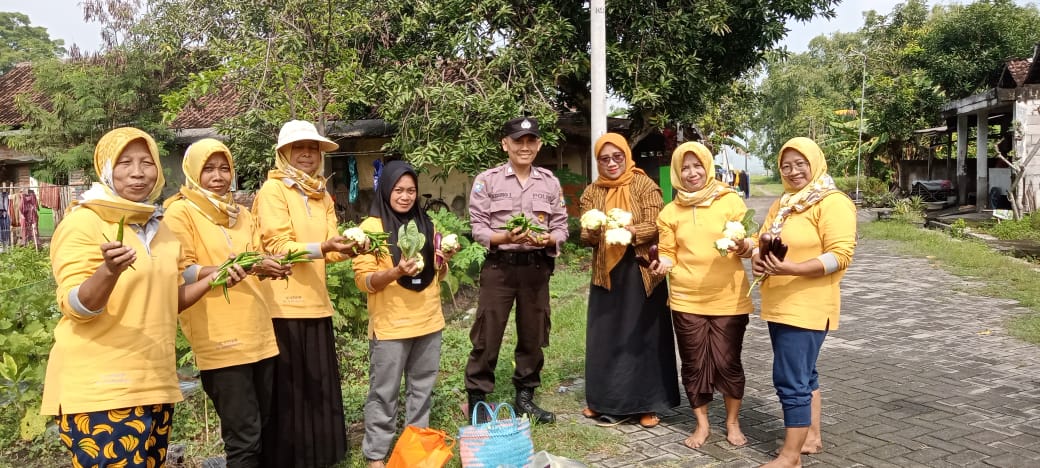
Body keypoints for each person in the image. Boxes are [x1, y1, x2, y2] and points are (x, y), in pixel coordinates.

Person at [45, 127, 230, 467]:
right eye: (125, 162)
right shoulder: (83, 223)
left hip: (154, 382)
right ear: (105, 169)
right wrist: (108, 272)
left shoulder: (158, 226)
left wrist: (211, 280)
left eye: (147, 162)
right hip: (101, 389)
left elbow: (167, 299)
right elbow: (76, 306)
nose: (138, 171)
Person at [163, 138, 291, 467]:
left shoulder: (242, 214)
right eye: (208, 169)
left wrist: (269, 267)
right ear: (192, 172)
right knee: (244, 435)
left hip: (259, 332)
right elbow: (183, 270)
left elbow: (256, 258)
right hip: (219, 337)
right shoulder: (180, 212)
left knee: (261, 425)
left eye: (224, 169)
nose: (218, 176)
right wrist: (233, 268)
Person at [252, 120, 365, 467]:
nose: (306, 153)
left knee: (317, 385)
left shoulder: (321, 194)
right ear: (284, 152)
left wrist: (347, 248)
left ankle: (321, 455)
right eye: (299, 147)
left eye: (312, 147)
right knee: (289, 390)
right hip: (282, 305)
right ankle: (290, 458)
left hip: (316, 303)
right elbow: (278, 246)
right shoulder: (273, 191)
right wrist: (322, 246)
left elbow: (328, 249)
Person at [754, 137, 856, 468]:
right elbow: (764, 241)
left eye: (800, 164)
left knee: (790, 380)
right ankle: (811, 437)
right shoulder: (784, 203)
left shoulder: (832, 202)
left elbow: (840, 256)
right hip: (781, 304)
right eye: (786, 165)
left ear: (815, 163)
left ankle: (790, 456)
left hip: (807, 306)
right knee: (805, 375)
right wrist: (758, 258)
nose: (794, 171)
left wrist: (793, 268)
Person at [351, 160, 458, 468]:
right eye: (398, 190)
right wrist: (396, 272)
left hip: (428, 321)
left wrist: (444, 259)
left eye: (411, 190)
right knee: (384, 393)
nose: (405, 196)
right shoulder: (370, 230)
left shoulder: (427, 224)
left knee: (421, 390)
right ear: (386, 190)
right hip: (390, 325)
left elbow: (436, 272)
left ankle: (415, 450)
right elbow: (364, 281)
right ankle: (376, 455)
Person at [465, 116, 569, 424]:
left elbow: (561, 226)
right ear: (505, 144)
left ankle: (525, 397)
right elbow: (478, 227)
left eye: (530, 141)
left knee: (533, 333)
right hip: (500, 267)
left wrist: (549, 238)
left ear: (538, 145)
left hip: (536, 267)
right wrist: (503, 237)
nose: (524, 147)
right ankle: (477, 400)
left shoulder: (549, 181)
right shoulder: (488, 180)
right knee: (487, 332)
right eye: (518, 141)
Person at [650, 141, 754, 448]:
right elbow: (669, 252)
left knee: (727, 362)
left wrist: (744, 246)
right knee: (694, 363)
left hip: (729, 297)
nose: (692, 172)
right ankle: (702, 425)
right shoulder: (670, 211)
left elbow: (750, 242)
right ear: (677, 172)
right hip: (685, 297)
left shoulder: (730, 201)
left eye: (697, 166)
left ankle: (732, 423)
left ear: (707, 167)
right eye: (685, 167)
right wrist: (661, 265)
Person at [579, 133, 679, 428]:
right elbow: (585, 232)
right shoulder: (592, 191)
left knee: (642, 338)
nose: (611, 163)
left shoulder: (644, 184)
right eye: (604, 158)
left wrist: (628, 230)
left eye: (617, 157)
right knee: (605, 338)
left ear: (626, 155)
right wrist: (596, 229)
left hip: (640, 271)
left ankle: (647, 404)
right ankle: (602, 401)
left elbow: (657, 223)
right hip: (606, 275)